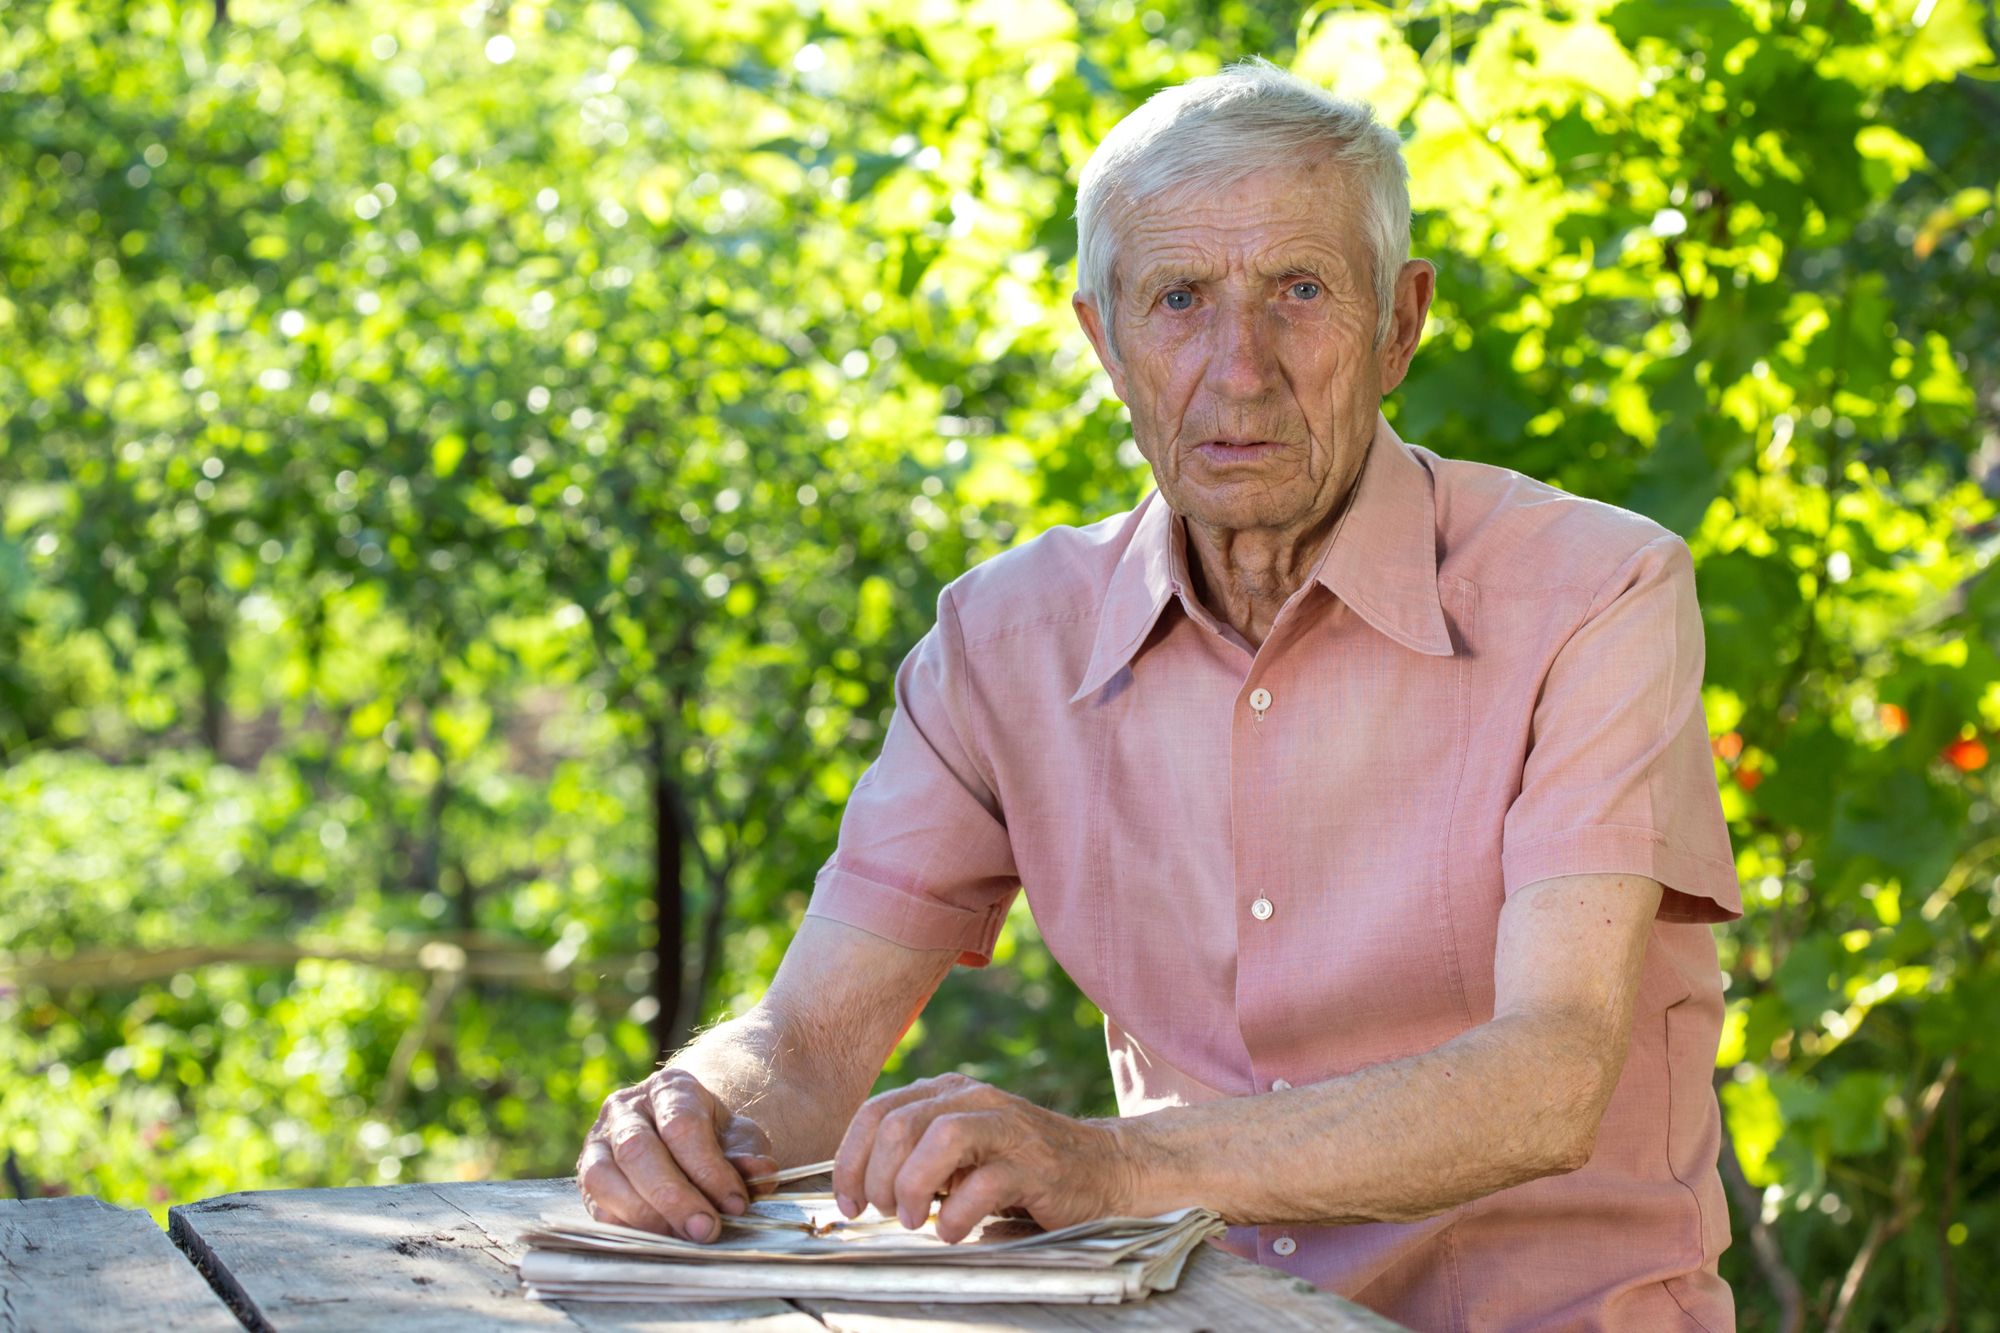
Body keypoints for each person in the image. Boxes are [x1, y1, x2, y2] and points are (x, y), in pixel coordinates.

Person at [578, 60, 1741, 1332]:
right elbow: (804, 1044)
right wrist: (690, 1108)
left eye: (1299, 292)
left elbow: (1549, 1076)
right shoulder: (1001, 639)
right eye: (1178, 299)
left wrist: (1110, 1165)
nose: (1238, 369)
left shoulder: (1594, 590)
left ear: (1398, 323)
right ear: (1104, 338)